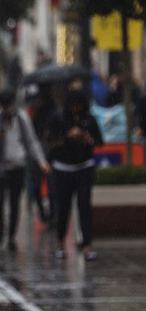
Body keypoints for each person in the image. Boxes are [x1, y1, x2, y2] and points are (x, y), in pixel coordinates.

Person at [0, 90, 50, 251]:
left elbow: (31, 140)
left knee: (15, 202)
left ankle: (12, 235)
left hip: (18, 166)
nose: (7, 109)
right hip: (0, 166)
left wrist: (41, 161)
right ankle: (0, 228)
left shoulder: (21, 118)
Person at [47, 89, 104, 261]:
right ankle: (60, 243)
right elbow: (49, 141)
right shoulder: (58, 117)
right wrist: (68, 136)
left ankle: (87, 244)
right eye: (73, 105)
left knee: (84, 206)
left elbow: (100, 141)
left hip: (84, 167)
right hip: (63, 169)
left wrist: (87, 139)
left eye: (79, 105)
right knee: (63, 207)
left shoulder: (89, 119)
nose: (76, 108)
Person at [26, 85, 57, 225]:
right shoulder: (33, 110)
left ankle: (51, 215)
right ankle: (43, 213)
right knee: (36, 185)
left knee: (51, 186)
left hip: (49, 152)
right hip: (36, 153)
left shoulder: (54, 110)